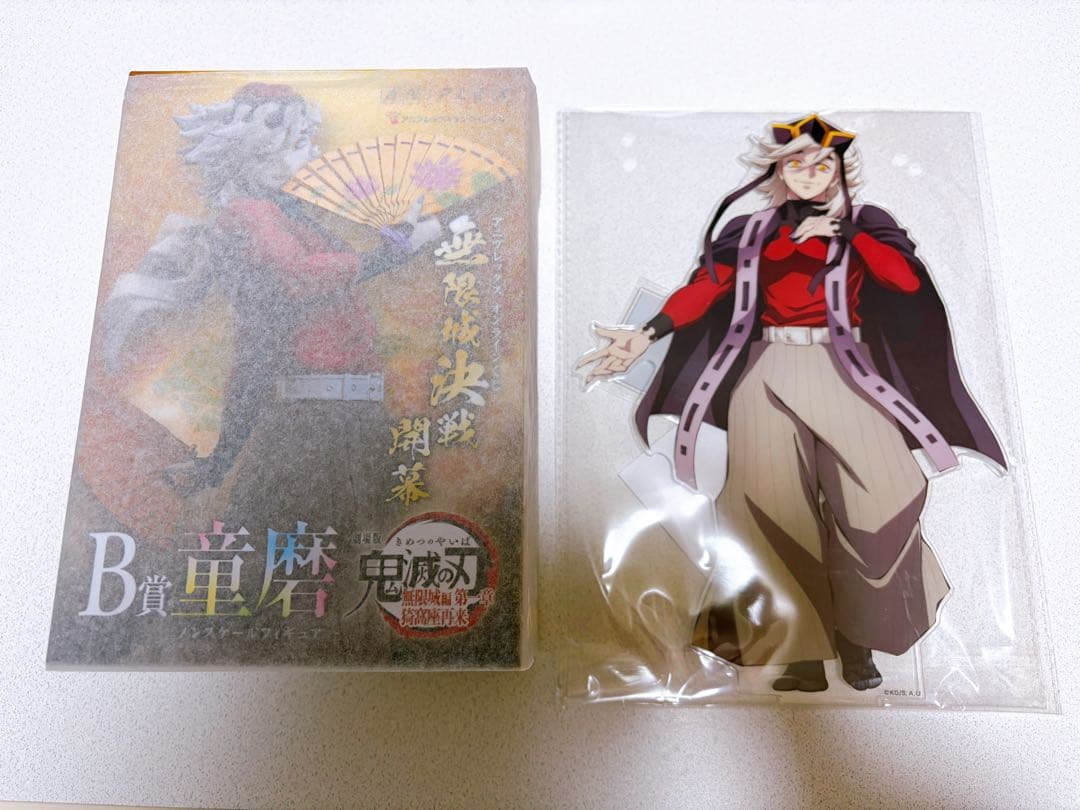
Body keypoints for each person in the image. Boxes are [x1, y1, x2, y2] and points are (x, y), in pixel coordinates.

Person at [577, 114, 1005, 692]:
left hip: (846, 369)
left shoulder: (867, 223)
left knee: (884, 496)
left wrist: (844, 234)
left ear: (840, 170)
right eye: (796, 162)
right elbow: (707, 288)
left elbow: (904, 281)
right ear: (778, 171)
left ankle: (857, 636)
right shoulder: (752, 230)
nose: (809, 172)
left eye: (822, 162)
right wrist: (648, 334)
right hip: (769, 368)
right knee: (767, 506)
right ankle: (798, 649)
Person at [103, 82, 443, 534]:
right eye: (298, 143)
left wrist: (403, 241)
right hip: (314, 422)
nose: (313, 155)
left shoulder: (286, 217)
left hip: (342, 415)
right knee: (319, 542)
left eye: (308, 141)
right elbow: (298, 276)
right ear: (254, 152)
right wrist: (394, 250)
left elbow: (264, 341)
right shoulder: (249, 215)